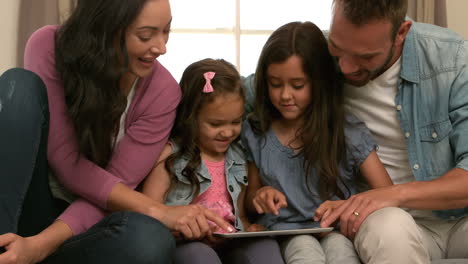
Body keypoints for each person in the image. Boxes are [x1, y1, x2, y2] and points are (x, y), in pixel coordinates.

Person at [0, 0, 232, 263]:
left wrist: (39, 246)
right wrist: (157, 210)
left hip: (87, 229)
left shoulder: (163, 93)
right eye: (146, 35)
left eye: (166, 30)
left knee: (150, 239)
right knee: (17, 87)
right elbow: (67, 164)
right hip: (31, 207)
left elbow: (113, 191)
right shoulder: (48, 45)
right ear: (106, 27)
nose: (161, 47)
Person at [318, 0, 468, 263]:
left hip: (460, 220)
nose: (346, 67)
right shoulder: (313, 55)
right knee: (390, 230)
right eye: (337, 48)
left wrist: (394, 194)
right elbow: (237, 96)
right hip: (386, 221)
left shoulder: (452, 59)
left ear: (401, 33)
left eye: (366, 57)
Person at [241, 21, 393, 264]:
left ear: (319, 82)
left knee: (341, 254)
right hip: (285, 231)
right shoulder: (257, 130)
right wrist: (261, 195)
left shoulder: (345, 131)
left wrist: (347, 207)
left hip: (334, 230)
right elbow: (250, 198)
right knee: (304, 250)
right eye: (275, 84)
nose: (285, 95)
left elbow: (387, 194)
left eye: (297, 85)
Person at [142, 58, 284, 264]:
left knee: (265, 248)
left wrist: (250, 223)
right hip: (187, 245)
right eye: (216, 124)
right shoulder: (170, 156)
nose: (228, 132)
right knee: (200, 256)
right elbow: (148, 213)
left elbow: (240, 214)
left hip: (230, 241)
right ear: (190, 117)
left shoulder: (239, 154)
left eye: (236, 122)